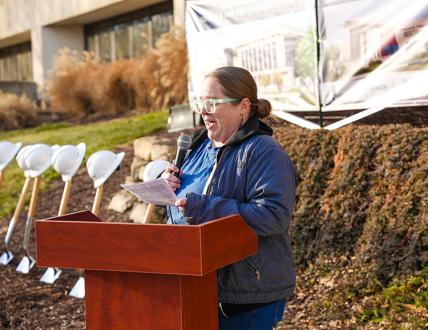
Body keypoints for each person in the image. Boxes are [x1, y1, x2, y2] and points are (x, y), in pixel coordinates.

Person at [161, 66, 296, 330]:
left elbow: (273, 216)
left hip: (245, 295)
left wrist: (205, 207)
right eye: (200, 101)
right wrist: (167, 189)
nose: (203, 109)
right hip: (193, 286)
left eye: (212, 102)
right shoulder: (198, 147)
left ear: (243, 106)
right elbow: (183, 211)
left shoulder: (263, 152)